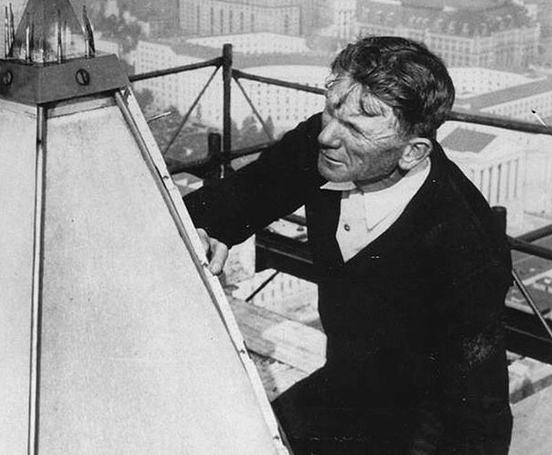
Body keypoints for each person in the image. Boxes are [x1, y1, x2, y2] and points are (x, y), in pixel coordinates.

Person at [185, 36, 513, 454]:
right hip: (340, 388)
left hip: (421, 434)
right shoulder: (327, 144)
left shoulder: (466, 245)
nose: (327, 136)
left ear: (413, 152)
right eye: (331, 109)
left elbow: (479, 416)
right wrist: (198, 228)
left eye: (355, 128)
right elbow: (238, 198)